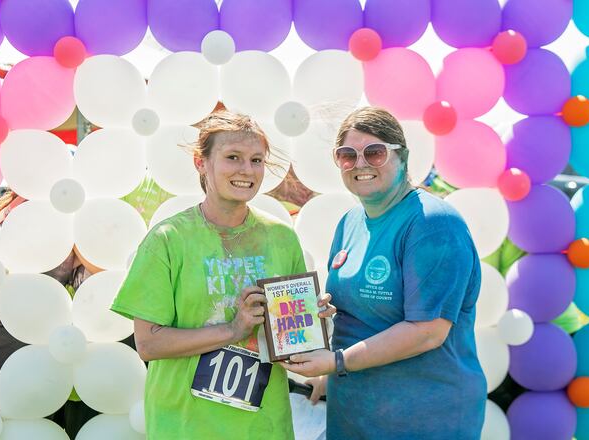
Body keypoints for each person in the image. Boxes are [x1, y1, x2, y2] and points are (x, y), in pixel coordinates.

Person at [111, 111, 333, 439]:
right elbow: (148, 343)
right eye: (233, 157)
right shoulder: (167, 239)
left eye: (256, 160)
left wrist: (312, 323)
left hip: (263, 426)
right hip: (185, 425)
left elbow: (291, 341)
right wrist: (233, 329)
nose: (247, 170)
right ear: (201, 163)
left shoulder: (281, 238)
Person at [281, 107, 486, 439]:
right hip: (354, 415)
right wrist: (323, 316)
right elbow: (359, 314)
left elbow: (427, 332)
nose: (360, 164)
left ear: (402, 157)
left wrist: (336, 362)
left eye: (374, 153)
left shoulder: (433, 223)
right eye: (347, 155)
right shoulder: (349, 222)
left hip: (424, 420)